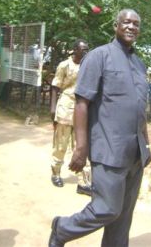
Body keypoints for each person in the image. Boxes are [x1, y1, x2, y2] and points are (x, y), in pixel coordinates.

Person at [49, 9, 151, 246]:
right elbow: (82, 103)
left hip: (135, 153)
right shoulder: (98, 57)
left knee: (123, 219)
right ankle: (62, 229)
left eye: (136, 24)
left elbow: (139, 109)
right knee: (107, 209)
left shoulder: (139, 64)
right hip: (109, 150)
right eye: (126, 22)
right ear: (116, 25)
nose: (131, 27)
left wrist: (145, 145)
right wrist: (81, 148)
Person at [50, 39, 91, 196]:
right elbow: (55, 87)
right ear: (75, 50)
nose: (86, 52)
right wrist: (53, 108)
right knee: (61, 143)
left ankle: (83, 182)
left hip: (82, 109)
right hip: (66, 107)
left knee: (81, 146)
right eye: (83, 49)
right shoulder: (64, 65)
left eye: (87, 49)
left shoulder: (88, 66)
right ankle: (56, 172)